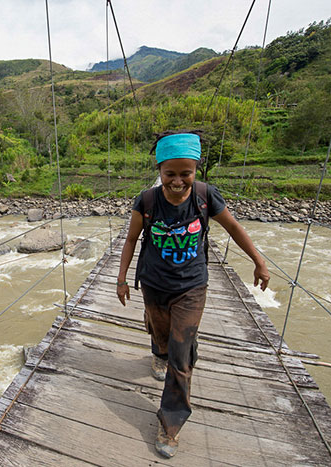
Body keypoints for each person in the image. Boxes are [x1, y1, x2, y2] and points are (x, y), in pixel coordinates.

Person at [116, 130, 270, 458]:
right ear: (159, 171)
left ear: (196, 170)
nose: (177, 181)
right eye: (169, 173)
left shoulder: (205, 196)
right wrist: (121, 280)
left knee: (180, 354)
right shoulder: (146, 201)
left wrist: (259, 262)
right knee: (162, 337)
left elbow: (234, 228)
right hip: (154, 285)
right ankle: (159, 351)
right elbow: (130, 240)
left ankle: (171, 423)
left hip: (192, 287)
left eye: (185, 173)